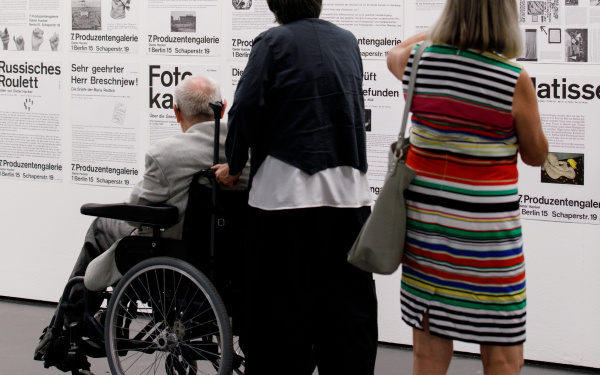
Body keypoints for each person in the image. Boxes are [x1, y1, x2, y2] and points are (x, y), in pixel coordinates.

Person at [34, 75, 249, 367]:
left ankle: (66, 328)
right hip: (234, 259)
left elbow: (138, 207)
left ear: (176, 111)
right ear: (222, 108)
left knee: (102, 226)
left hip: (176, 254)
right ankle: (96, 320)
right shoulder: (246, 152)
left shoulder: (166, 154)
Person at [214, 1, 378, 374]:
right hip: (348, 199)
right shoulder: (348, 41)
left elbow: (246, 108)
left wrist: (235, 165)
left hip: (283, 201)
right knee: (347, 322)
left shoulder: (272, 42)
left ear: (274, 4)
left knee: (280, 324)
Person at [386, 1, 548, 374]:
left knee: (428, 351)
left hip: (428, 227)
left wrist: (440, 33)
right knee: (503, 351)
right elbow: (536, 156)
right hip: (489, 239)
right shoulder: (511, 78)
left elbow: (394, 53)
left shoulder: (420, 63)